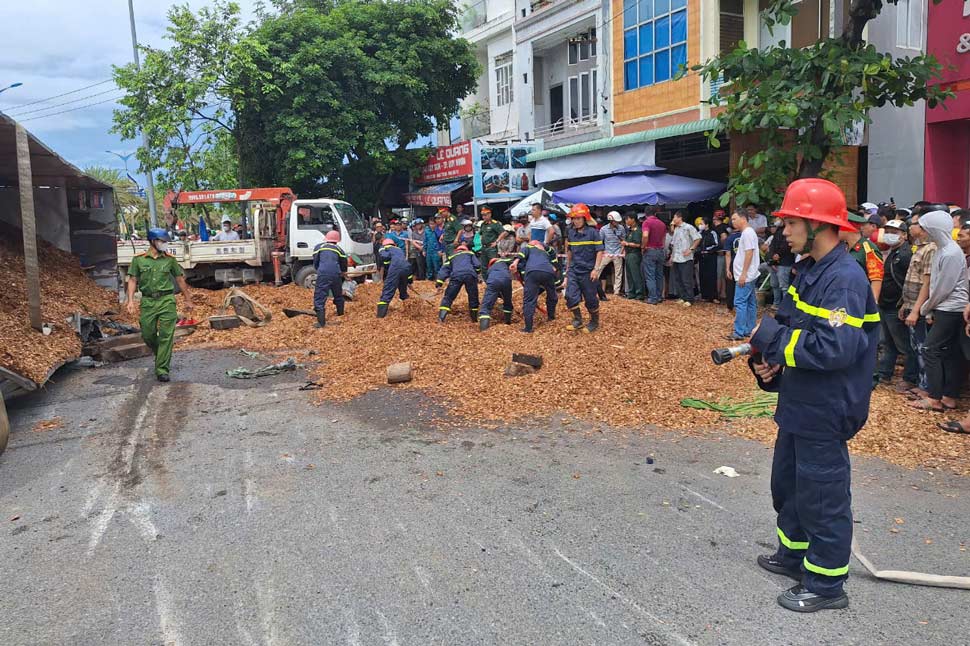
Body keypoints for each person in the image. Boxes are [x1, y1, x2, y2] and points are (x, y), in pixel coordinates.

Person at [749, 178, 879, 613]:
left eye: (791, 221)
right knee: (789, 484)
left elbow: (833, 348)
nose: (784, 229)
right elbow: (789, 325)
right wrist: (767, 362)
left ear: (818, 225)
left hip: (827, 404)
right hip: (800, 399)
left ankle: (825, 583)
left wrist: (771, 340)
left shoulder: (843, 280)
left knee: (822, 492)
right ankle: (794, 554)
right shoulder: (809, 271)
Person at [907, 210, 970, 412]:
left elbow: (943, 287)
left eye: (926, 228)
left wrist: (926, 307)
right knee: (949, 353)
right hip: (944, 306)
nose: (922, 231)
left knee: (930, 349)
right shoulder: (943, 250)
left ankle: (934, 397)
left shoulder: (951, 252)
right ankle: (948, 396)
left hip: (950, 308)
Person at [125, 228, 194, 382]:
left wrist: (188, 299)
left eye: (165, 242)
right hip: (148, 302)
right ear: (152, 242)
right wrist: (130, 300)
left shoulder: (169, 259)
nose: (164, 245)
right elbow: (133, 280)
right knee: (147, 334)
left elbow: (180, 279)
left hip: (166, 301)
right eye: (162, 241)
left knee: (166, 336)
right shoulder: (139, 259)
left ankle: (162, 369)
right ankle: (161, 354)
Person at [875, 219, 918, 390]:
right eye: (888, 231)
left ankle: (909, 378)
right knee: (888, 343)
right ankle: (884, 374)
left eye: (895, 232)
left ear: (904, 235)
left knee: (905, 345)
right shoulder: (893, 252)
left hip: (896, 306)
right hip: (885, 304)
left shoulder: (906, 255)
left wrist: (905, 303)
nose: (890, 235)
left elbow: (909, 282)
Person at [900, 212, 936, 398]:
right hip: (911, 304)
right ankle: (920, 383)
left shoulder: (930, 249)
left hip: (920, 308)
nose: (910, 227)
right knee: (915, 347)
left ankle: (926, 387)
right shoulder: (917, 247)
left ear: (923, 229)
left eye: (913, 224)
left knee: (923, 348)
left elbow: (927, 283)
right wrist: (905, 305)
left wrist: (915, 310)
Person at [564, 203, 604, 332]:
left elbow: (599, 251)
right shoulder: (571, 233)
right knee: (570, 296)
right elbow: (569, 251)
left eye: (578, 218)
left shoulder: (593, 233)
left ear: (585, 218)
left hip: (588, 271)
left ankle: (594, 321)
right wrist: (567, 269)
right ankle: (578, 320)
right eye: (574, 219)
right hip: (574, 270)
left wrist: (596, 269)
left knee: (591, 299)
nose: (575, 221)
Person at [513, 240, 560, 333]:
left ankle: (528, 328)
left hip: (532, 272)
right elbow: (553, 256)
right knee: (552, 296)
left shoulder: (528, 248)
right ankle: (551, 317)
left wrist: (514, 263)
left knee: (529, 300)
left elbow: (521, 254)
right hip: (548, 272)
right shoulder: (546, 252)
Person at [728, 210, 759, 340]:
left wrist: (743, 274)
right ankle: (749, 329)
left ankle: (739, 332)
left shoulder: (747, 233)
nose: (732, 221)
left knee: (740, 302)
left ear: (743, 219)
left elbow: (749, 253)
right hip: (749, 274)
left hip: (746, 275)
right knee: (750, 303)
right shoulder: (747, 233)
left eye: (735, 219)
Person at [841, 212, 884, 302]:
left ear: (848, 227)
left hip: (860, 299)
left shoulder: (868, 249)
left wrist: (872, 305)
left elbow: (876, 280)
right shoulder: (842, 247)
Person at [436, 243, 481, 323]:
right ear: (466, 249)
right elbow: (477, 265)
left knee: (448, 297)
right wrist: (476, 273)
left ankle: (441, 318)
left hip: (456, 276)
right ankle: (474, 319)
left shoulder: (452, 256)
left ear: (457, 250)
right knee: (473, 297)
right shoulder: (470, 253)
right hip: (470, 275)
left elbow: (444, 270)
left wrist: (439, 283)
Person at [311, 230, 347, 328]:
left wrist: (319, 269)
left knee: (320, 297)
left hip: (323, 274)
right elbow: (344, 263)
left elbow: (316, 260)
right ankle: (341, 315)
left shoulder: (319, 247)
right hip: (336, 274)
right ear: (337, 240)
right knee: (338, 295)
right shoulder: (339, 250)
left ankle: (321, 323)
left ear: (326, 239)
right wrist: (343, 272)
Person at [668, 211, 700, 306]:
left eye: (674, 217)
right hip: (677, 257)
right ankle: (682, 297)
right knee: (678, 279)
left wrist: (691, 249)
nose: (673, 219)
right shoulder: (676, 229)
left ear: (679, 218)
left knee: (686, 279)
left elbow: (697, 238)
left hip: (686, 258)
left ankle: (690, 299)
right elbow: (674, 244)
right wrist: (671, 257)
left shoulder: (688, 227)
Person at [376, 237, 411, 318]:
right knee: (403, 290)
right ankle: (409, 308)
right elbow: (404, 264)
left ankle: (380, 316)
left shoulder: (383, 248)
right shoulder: (399, 249)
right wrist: (409, 281)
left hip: (395, 268)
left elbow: (384, 258)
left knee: (388, 290)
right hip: (406, 268)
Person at [478, 255, 515, 331]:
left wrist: (495, 295)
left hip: (493, 281)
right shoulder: (505, 262)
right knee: (507, 301)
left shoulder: (490, 269)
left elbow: (492, 284)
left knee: (486, 306)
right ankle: (507, 322)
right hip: (507, 280)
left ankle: (483, 331)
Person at [766, 216, 796, 310]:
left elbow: (788, 246)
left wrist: (778, 254)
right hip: (774, 262)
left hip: (785, 262)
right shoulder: (777, 232)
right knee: (775, 285)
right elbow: (772, 246)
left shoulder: (789, 232)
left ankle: (785, 307)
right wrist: (772, 257)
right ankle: (776, 303)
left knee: (784, 286)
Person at [596, 211, 626, 297]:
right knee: (598, 270)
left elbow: (623, 241)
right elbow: (600, 242)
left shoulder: (621, 228)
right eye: (615, 221)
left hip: (618, 253)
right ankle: (594, 289)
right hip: (607, 253)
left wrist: (621, 251)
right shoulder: (603, 229)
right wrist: (603, 251)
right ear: (611, 220)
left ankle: (616, 292)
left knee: (618, 273)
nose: (617, 223)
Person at [641, 209, 667, 304]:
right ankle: (659, 296)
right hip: (660, 250)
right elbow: (664, 238)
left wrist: (643, 246)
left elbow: (645, 235)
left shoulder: (646, 222)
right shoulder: (662, 223)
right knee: (659, 275)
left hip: (650, 249)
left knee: (650, 275)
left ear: (645, 214)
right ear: (655, 213)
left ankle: (652, 298)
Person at [478, 207, 506, 280]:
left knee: (493, 264)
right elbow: (481, 233)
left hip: (491, 248)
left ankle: (495, 280)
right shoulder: (483, 224)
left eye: (485, 215)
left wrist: (496, 241)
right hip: (484, 247)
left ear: (490, 214)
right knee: (483, 266)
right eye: (483, 215)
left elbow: (503, 232)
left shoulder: (495, 223)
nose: (484, 217)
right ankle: (486, 281)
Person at [696, 216, 720, 302]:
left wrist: (707, 250)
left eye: (701, 224)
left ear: (707, 224)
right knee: (702, 276)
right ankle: (704, 295)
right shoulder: (699, 233)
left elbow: (717, 244)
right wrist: (699, 251)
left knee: (712, 276)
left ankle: (713, 297)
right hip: (701, 258)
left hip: (711, 257)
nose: (700, 225)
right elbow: (696, 244)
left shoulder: (713, 233)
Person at [621, 212, 644, 300]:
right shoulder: (630, 230)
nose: (626, 221)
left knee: (635, 274)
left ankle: (639, 293)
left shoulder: (637, 230)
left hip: (634, 254)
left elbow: (638, 244)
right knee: (629, 275)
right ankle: (631, 292)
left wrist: (626, 243)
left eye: (628, 219)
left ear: (633, 219)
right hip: (628, 254)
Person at [425, 216, 443, 280]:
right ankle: (429, 279)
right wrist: (424, 250)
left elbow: (441, 242)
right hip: (429, 251)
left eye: (433, 224)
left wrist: (441, 250)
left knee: (437, 266)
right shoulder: (427, 231)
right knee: (429, 266)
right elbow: (425, 241)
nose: (431, 225)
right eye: (430, 224)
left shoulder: (438, 231)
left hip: (436, 251)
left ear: (436, 224)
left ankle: (438, 279)